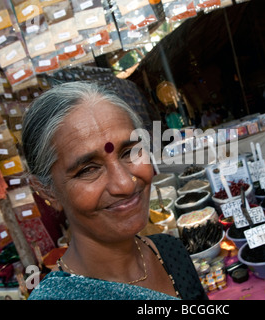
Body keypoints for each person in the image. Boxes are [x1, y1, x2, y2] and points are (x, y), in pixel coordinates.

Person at [22, 81, 207, 300]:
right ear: (47, 191)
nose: (125, 184)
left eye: (129, 152)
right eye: (89, 169)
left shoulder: (169, 252)